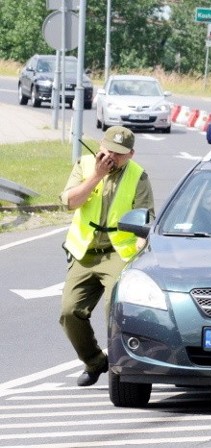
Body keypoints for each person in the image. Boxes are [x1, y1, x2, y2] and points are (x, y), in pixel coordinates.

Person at [59, 126, 154, 387]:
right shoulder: (85, 164)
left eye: (120, 154)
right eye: (109, 150)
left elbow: (146, 219)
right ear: (100, 145)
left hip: (119, 253)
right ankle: (94, 362)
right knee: (69, 312)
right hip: (84, 251)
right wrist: (96, 177)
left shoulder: (138, 176)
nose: (113, 157)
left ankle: (122, 369)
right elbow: (69, 202)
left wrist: (139, 250)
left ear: (131, 154)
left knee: (116, 309)